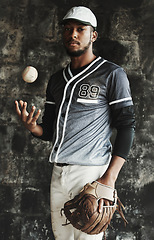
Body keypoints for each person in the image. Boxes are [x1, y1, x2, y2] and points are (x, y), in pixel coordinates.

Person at [15, 6, 135, 240]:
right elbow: (48, 131)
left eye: (81, 29)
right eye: (68, 29)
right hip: (59, 172)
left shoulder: (111, 73)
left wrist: (109, 180)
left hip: (91, 175)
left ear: (93, 35)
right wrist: (33, 128)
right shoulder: (56, 80)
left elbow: (127, 126)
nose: (73, 34)